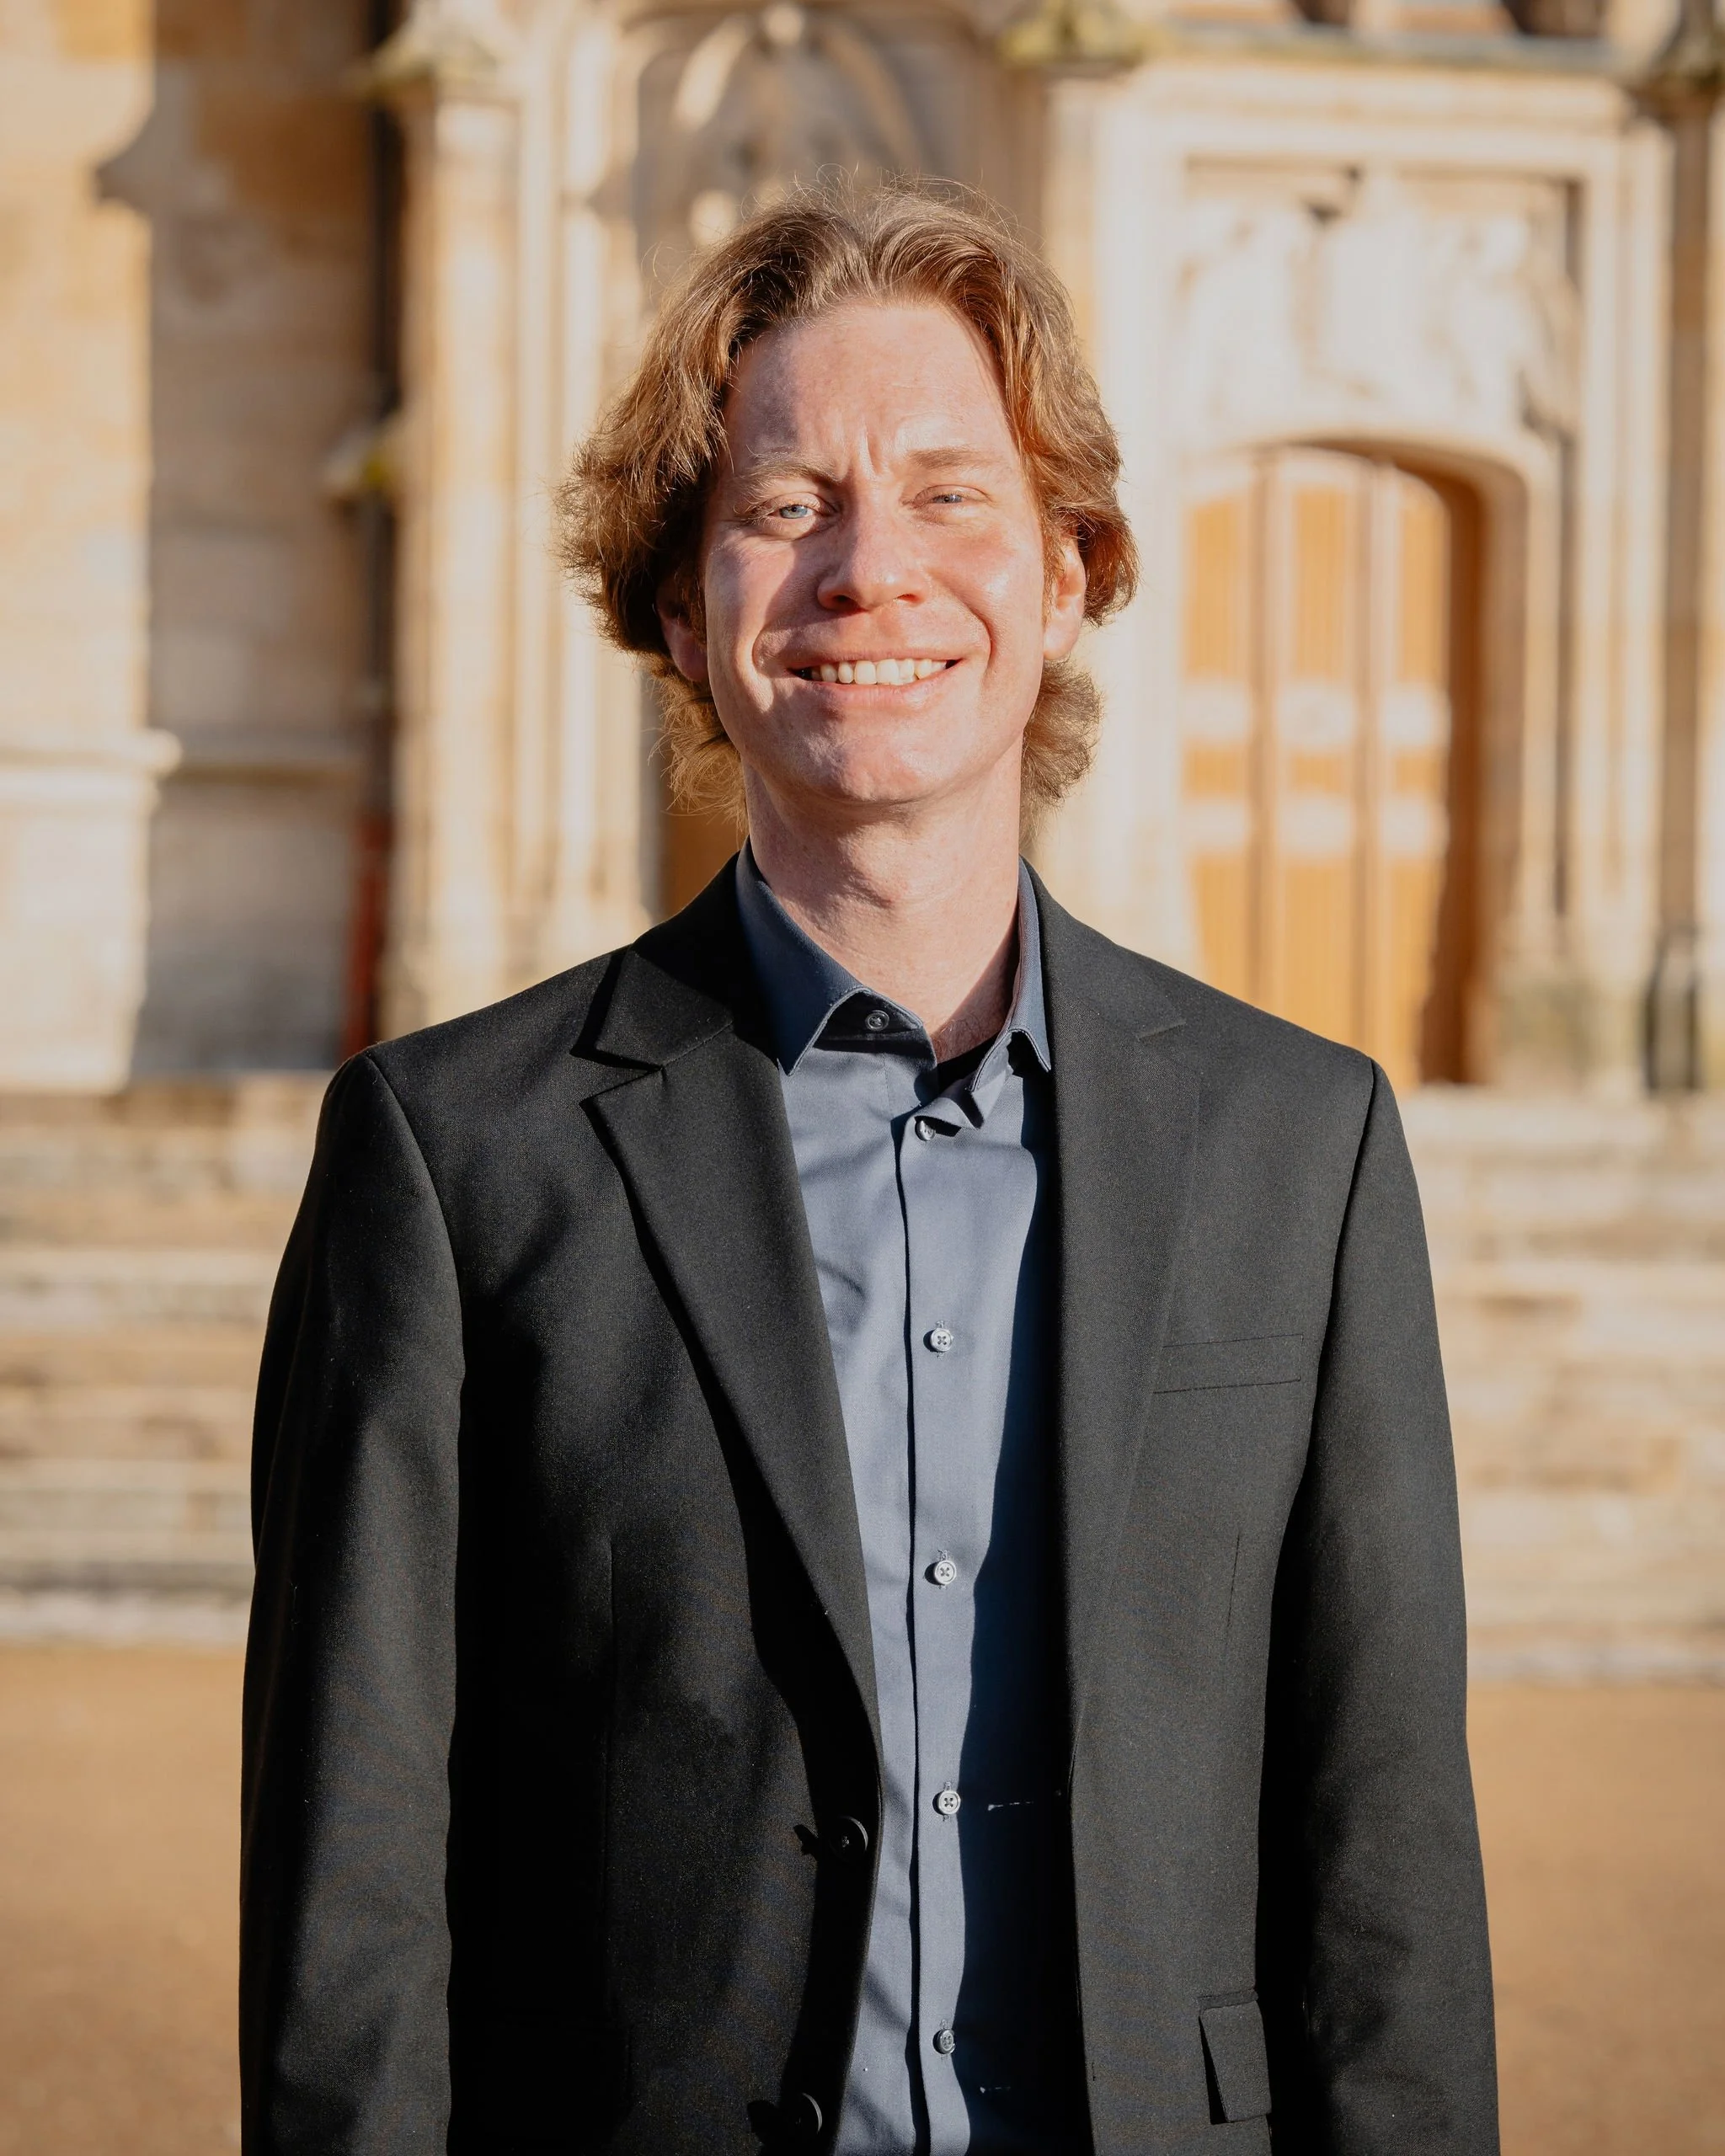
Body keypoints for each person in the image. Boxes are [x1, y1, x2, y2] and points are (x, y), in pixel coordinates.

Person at [240, 184, 1498, 2156]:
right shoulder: (450, 1152)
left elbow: (1383, 1851)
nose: (867, 567)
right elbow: (354, 1886)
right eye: (781, 504)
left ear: (1071, 572)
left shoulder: (1300, 1141)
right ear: (681, 607)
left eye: (946, 493)